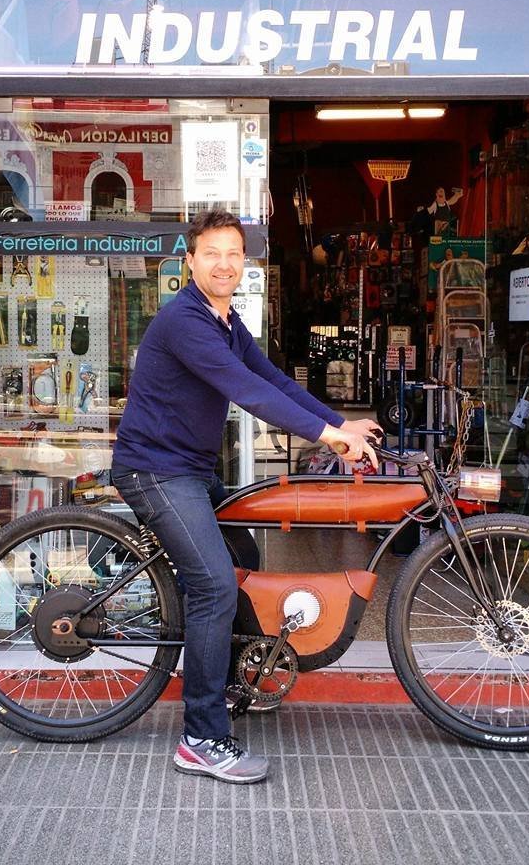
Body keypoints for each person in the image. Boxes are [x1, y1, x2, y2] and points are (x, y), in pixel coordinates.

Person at [111, 209, 379, 785]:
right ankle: (201, 738)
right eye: (211, 253)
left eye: (233, 253)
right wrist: (327, 437)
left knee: (242, 560)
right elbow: (247, 392)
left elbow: (273, 380)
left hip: (191, 470)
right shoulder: (185, 321)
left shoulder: (227, 322)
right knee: (213, 585)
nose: (224, 264)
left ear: (245, 263)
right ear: (190, 261)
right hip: (155, 471)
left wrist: (341, 422)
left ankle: (230, 680)